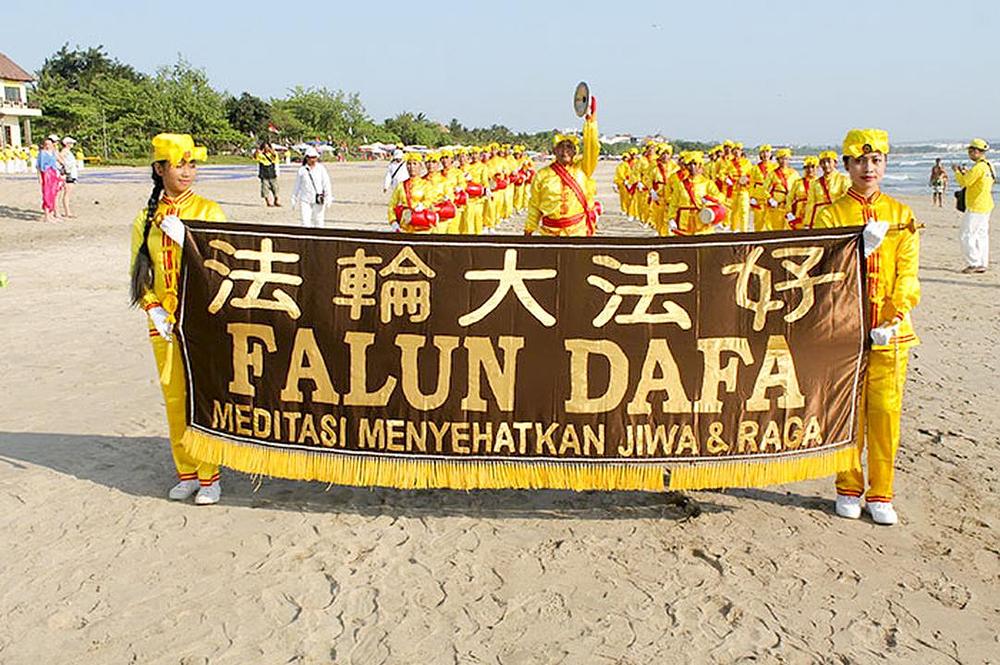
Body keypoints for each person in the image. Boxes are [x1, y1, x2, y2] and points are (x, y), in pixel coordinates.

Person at [815, 128, 920, 526]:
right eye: (860, 160)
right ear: (847, 165)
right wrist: (857, 250)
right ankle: (847, 486)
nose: (868, 168)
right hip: (846, 331)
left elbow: (908, 273)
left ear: (885, 164)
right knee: (847, 411)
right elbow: (822, 271)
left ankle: (881, 492)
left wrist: (895, 315)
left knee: (885, 413)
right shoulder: (830, 215)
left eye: (875, 160)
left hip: (891, 333)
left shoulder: (901, 215)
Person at [128, 133, 226, 504]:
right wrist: (152, 307)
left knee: (203, 395)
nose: (187, 172)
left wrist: (190, 242)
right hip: (164, 323)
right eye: (179, 165)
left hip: (201, 321)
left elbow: (225, 264)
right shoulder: (145, 218)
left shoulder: (208, 211)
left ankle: (210, 475)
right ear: (159, 169)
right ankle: (186, 471)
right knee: (174, 397)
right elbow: (140, 271)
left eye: (192, 164)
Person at [525, 97, 599, 237]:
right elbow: (534, 204)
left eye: (569, 147)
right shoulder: (542, 175)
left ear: (575, 152)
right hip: (549, 233)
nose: (565, 151)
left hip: (577, 231)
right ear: (554, 151)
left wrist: (591, 123)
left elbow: (592, 147)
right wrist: (529, 228)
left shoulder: (583, 169)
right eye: (561, 147)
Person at [952, 138, 995, 273]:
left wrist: (957, 172)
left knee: (966, 234)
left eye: (971, 151)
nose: (969, 154)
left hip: (976, 205)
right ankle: (982, 262)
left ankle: (974, 263)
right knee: (981, 235)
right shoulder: (989, 165)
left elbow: (964, 182)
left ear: (977, 151)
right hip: (986, 203)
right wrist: (966, 173)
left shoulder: (978, 167)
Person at [804, 150, 851, 229]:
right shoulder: (815, 183)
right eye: (823, 162)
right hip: (819, 218)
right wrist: (807, 223)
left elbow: (848, 199)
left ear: (835, 163)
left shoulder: (843, 179)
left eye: (829, 161)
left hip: (837, 217)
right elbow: (810, 204)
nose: (826, 165)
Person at [291, 146, 332, 227]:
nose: (313, 160)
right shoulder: (302, 170)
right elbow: (297, 185)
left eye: (314, 157)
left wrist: (328, 197)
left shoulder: (321, 168)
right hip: (305, 199)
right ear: (307, 158)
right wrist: (294, 198)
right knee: (305, 222)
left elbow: (326, 183)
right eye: (311, 157)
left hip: (318, 199)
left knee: (319, 221)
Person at [36, 137, 63, 222]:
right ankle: (47, 215)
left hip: (53, 173)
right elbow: (39, 166)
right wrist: (40, 177)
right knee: (47, 194)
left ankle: (51, 214)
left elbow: (58, 162)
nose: (48, 146)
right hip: (46, 174)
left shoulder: (53, 153)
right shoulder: (42, 153)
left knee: (53, 193)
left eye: (49, 144)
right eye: (46, 144)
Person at [253, 141, 281, 207]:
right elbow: (255, 157)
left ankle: (276, 201)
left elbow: (275, 157)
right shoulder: (260, 155)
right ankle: (268, 202)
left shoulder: (273, 154)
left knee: (275, 189)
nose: (266, 149)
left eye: (267, 147)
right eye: (265, 147)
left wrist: (272, 151)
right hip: (264, 174)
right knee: (265, 189)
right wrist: (257, 151)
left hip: (272, 174)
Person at [58, 137, 79, 218]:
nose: (72, 144)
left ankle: (67, 211)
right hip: (69, 174)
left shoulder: (67, 151)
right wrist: (65, 166)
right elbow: (59, 158)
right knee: (67, 193)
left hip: (71, 173)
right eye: (71, 143)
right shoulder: (65, 151)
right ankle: (67, 212)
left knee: (68, 193)